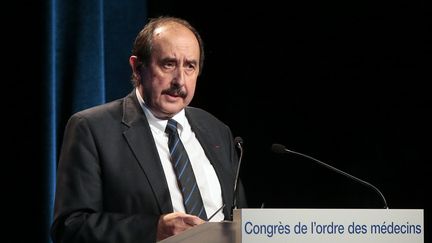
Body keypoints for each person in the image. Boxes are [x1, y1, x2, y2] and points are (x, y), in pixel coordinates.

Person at [50, 16, 247, 243]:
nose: (180, 81)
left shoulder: (216, 130)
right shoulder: (92, 129)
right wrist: (154, 229)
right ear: (137, 67)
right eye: (168, 64)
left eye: (190, 66)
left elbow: (240, 220)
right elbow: (71, 226)